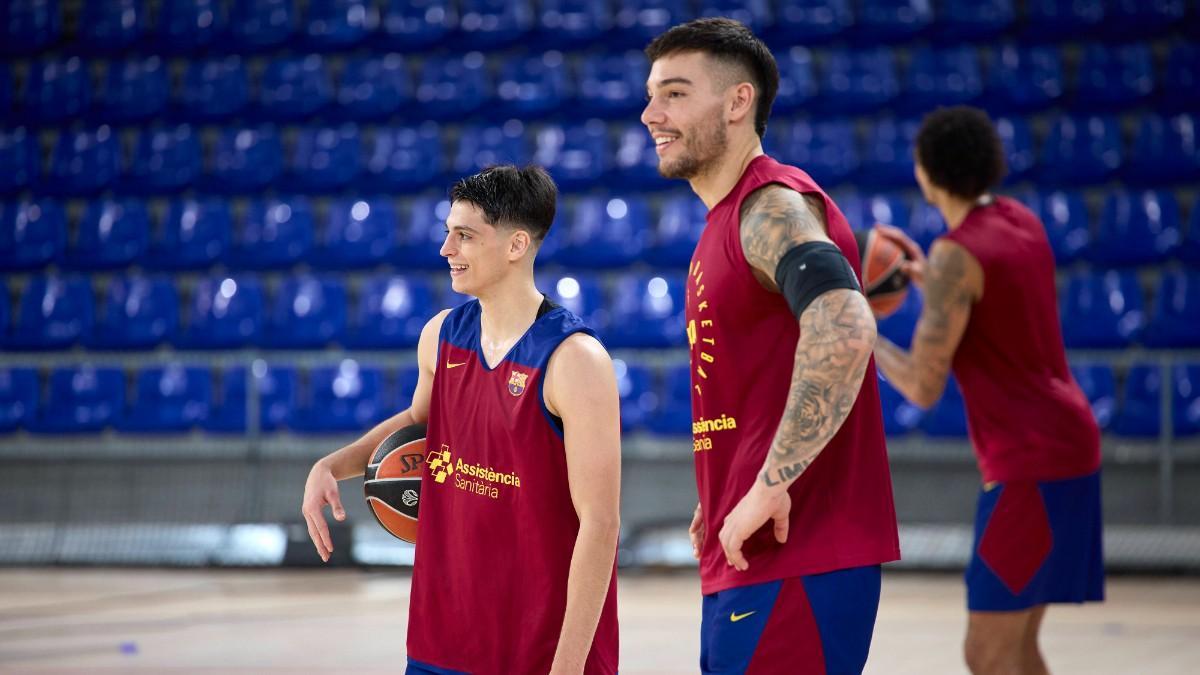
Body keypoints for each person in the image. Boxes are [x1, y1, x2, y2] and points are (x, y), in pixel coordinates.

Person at [641, 18, 900, 674]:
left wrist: (770, 480)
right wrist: (729, 483)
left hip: (800, 553)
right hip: (755, 553)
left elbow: (845, 322)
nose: (650, 113)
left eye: (674, 93)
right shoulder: (723, 222)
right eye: (651, 95)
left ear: (737, 101)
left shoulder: (769, 205)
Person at [301, 165, 621, 674]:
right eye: (448, 232)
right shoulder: (441, 335)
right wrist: (333, 465)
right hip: (439, 638)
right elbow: (418, 420)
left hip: (539, 651)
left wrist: (567, 667)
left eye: (464, 236)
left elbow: (600, 525)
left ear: (516, 245)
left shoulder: (574, 360)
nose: (445, 249)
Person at [872, 106, 1103, 675]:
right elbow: (999, 308)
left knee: (989, 650)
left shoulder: (956, 253)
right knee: (1019, 645)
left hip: (1029, 460)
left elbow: (923, 387)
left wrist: (857, 331)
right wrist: (938, 282)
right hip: (1069, 442)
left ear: (927, 172)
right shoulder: (1020, 219)